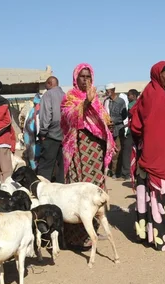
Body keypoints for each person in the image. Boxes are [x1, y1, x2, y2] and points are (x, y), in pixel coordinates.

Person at [60, 63, 116, 247]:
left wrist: (107, 125)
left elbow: (103, 118)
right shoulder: (70, 97)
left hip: (95, 152)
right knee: (79, 191)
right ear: (76, 78)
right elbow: (68, 117)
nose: (86, 80)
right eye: (82, 76)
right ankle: (76, 237)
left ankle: (91, 230)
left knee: (94, 191)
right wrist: (85, 104)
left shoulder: (96, 98)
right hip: (79, 149)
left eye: (88, 76)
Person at [130, 61, 165, 251]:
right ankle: (160, 238)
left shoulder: (149, 91)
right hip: (156, 155)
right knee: (159, 194)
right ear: (158, 74)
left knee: (146, 195)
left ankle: (146, 234)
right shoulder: (158, 96)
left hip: (146, 152)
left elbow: (137, 123)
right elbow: (156, 129)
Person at [37, 76, 65, 183]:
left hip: (51, 134)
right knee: (61, 166)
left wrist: (43, 132)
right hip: (64, 135)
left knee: (45, 166)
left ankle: (42, 190)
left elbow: (46, 115)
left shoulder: (48, 95)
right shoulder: (66, 95)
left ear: (49, 83)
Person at [104, 84, 129, 179]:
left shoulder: (120, 101)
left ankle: (116, 171)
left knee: (118, 150)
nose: (106, 93)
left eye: (108, 91)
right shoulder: (106, 101)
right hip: (108, 130)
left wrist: (114, 121)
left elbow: (124, 116)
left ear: (113, 90)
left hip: (118, 129)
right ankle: (110, 169)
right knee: (109, 150)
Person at [23, 94, 41, 170]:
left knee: (32, 156)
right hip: (35, 139)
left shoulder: (30, 112)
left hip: (30, 140)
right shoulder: (38, 111)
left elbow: (25, 128)